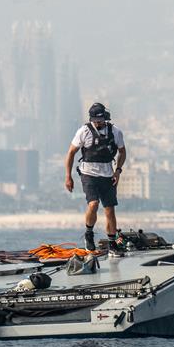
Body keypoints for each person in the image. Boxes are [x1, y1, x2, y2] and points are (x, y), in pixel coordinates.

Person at [64, 102, 127, 251]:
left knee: (109, 210)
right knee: (93, 204)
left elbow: (122, 152)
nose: (97, 123)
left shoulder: (115, 132)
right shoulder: (83, 131)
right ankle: (89, 234)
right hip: (88, 174)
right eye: (95, 121)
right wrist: (68, 176)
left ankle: (112, 242)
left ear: (105, 118)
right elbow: (71, 153)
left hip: (108, 175)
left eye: (99, 120)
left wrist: (118, 170)